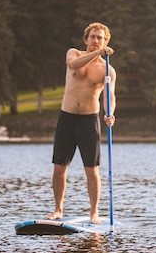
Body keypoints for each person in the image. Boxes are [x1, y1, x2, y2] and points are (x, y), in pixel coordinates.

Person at [46, 22, 117, 224]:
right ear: (86, 39)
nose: (96, 41)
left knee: (91, 169)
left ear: (106, 41)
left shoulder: (108, 70)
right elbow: (73, 66)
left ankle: (94, 213)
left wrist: (109, 114)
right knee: (59, 167)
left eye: (100, 38)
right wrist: (98, 52)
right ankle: (58, 209)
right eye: (92, 37)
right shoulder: (74, 54)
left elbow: (109, 95)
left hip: (89, 120)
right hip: (67, 117)